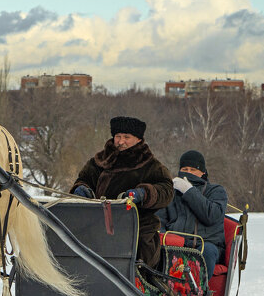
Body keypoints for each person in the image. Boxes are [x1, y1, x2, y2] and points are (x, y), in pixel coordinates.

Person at [71, 116, 174, 268]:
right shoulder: (99, 161)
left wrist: (144, 193)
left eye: (127, 137)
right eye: (118, 136)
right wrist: (80, 189)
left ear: (138, 139)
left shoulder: (152, 166)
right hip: (97, 224)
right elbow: (83, 179)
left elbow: (166, 189)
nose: (121, 141)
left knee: (140, 251)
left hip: (137, 227)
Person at [158, 150, 228, 275]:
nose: (188, 173)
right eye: (185, 169)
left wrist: (189, 191)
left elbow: (211, 216)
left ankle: (198, 291)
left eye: (193, 170)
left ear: (203, 172)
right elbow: (160, 220)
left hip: (206, 244)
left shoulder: (216, 191)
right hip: (176, 243)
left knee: (206, 252)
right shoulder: (172, 193)